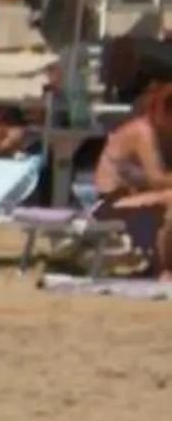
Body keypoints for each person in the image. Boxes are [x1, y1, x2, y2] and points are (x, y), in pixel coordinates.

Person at [87, 68, 172, 271]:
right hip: (109, 205)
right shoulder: (142, 132)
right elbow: (157, 179)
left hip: (134, 199)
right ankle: (165, 269)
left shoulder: (160, 135)